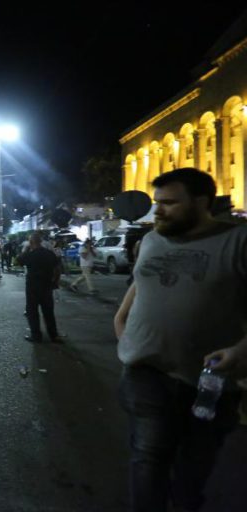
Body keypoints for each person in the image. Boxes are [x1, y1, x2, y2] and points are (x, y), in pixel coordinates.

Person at [113, 167, 247, 512]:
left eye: (169, 203)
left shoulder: (238, 241)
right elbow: (139, 289)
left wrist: (240, 351)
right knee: (148, 457)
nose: (158, 210)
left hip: (211, 382)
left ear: (201, 202)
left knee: (193, 469)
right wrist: (122, 326)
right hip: (147, 374)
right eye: (157, 202)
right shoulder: (153, 240)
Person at [17, 232, 65, 343]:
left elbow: (18, 261)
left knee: (32, 311)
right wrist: (55, 282)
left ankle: (36, 336)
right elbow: (57, 269)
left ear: (31, 242)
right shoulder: (49, 254)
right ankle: (53, 335)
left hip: (32, 287)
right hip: (47, 285)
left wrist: (25, 250)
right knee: (48, 311)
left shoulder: (30, 254)